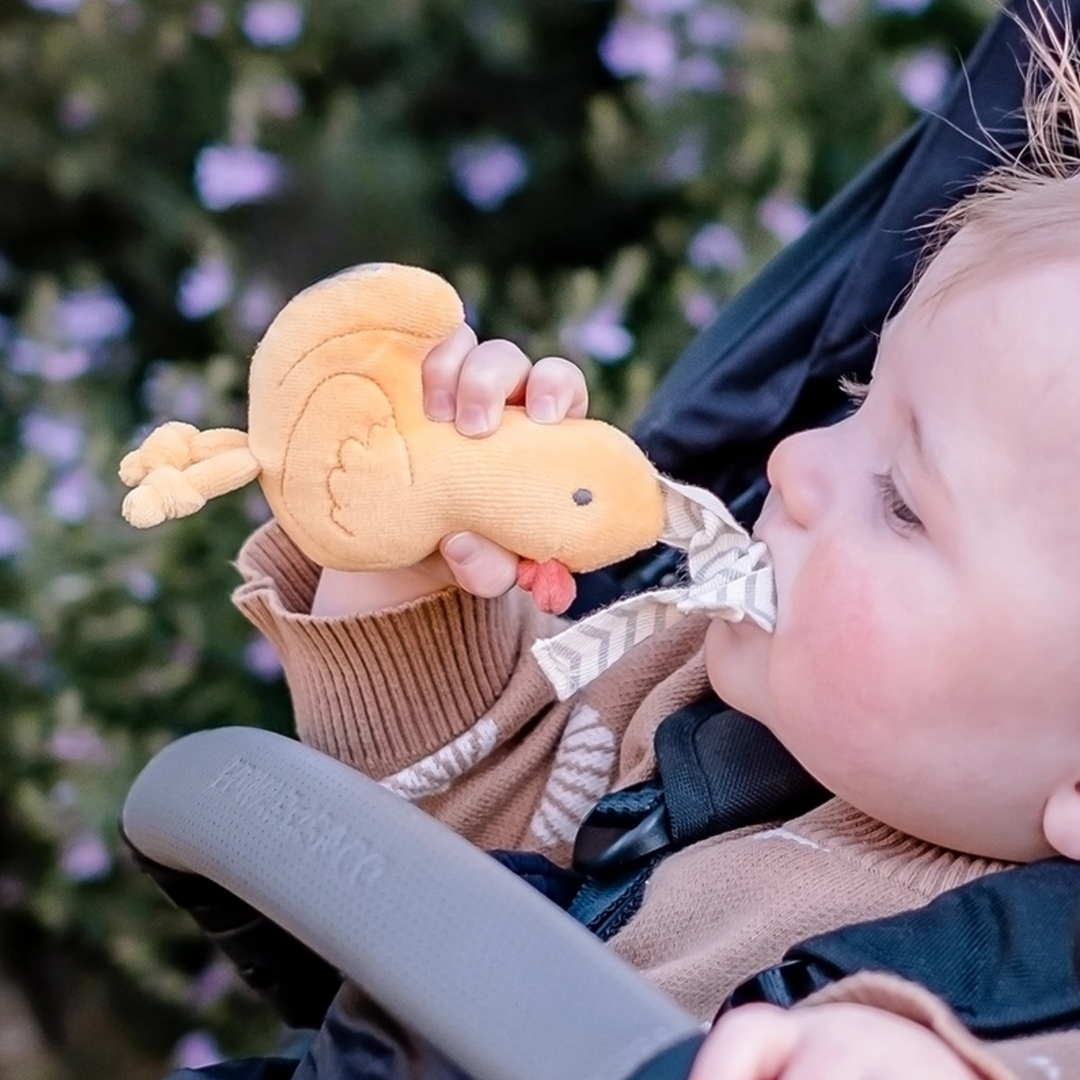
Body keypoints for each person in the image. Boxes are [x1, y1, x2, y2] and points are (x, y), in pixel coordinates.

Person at [229, 12, 1080, 1080]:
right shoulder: (682, 690)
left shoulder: (1012, 1028)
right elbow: (439, 816)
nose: (795, 462)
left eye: (903, 501)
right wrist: (410, 550)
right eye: (858, 396)